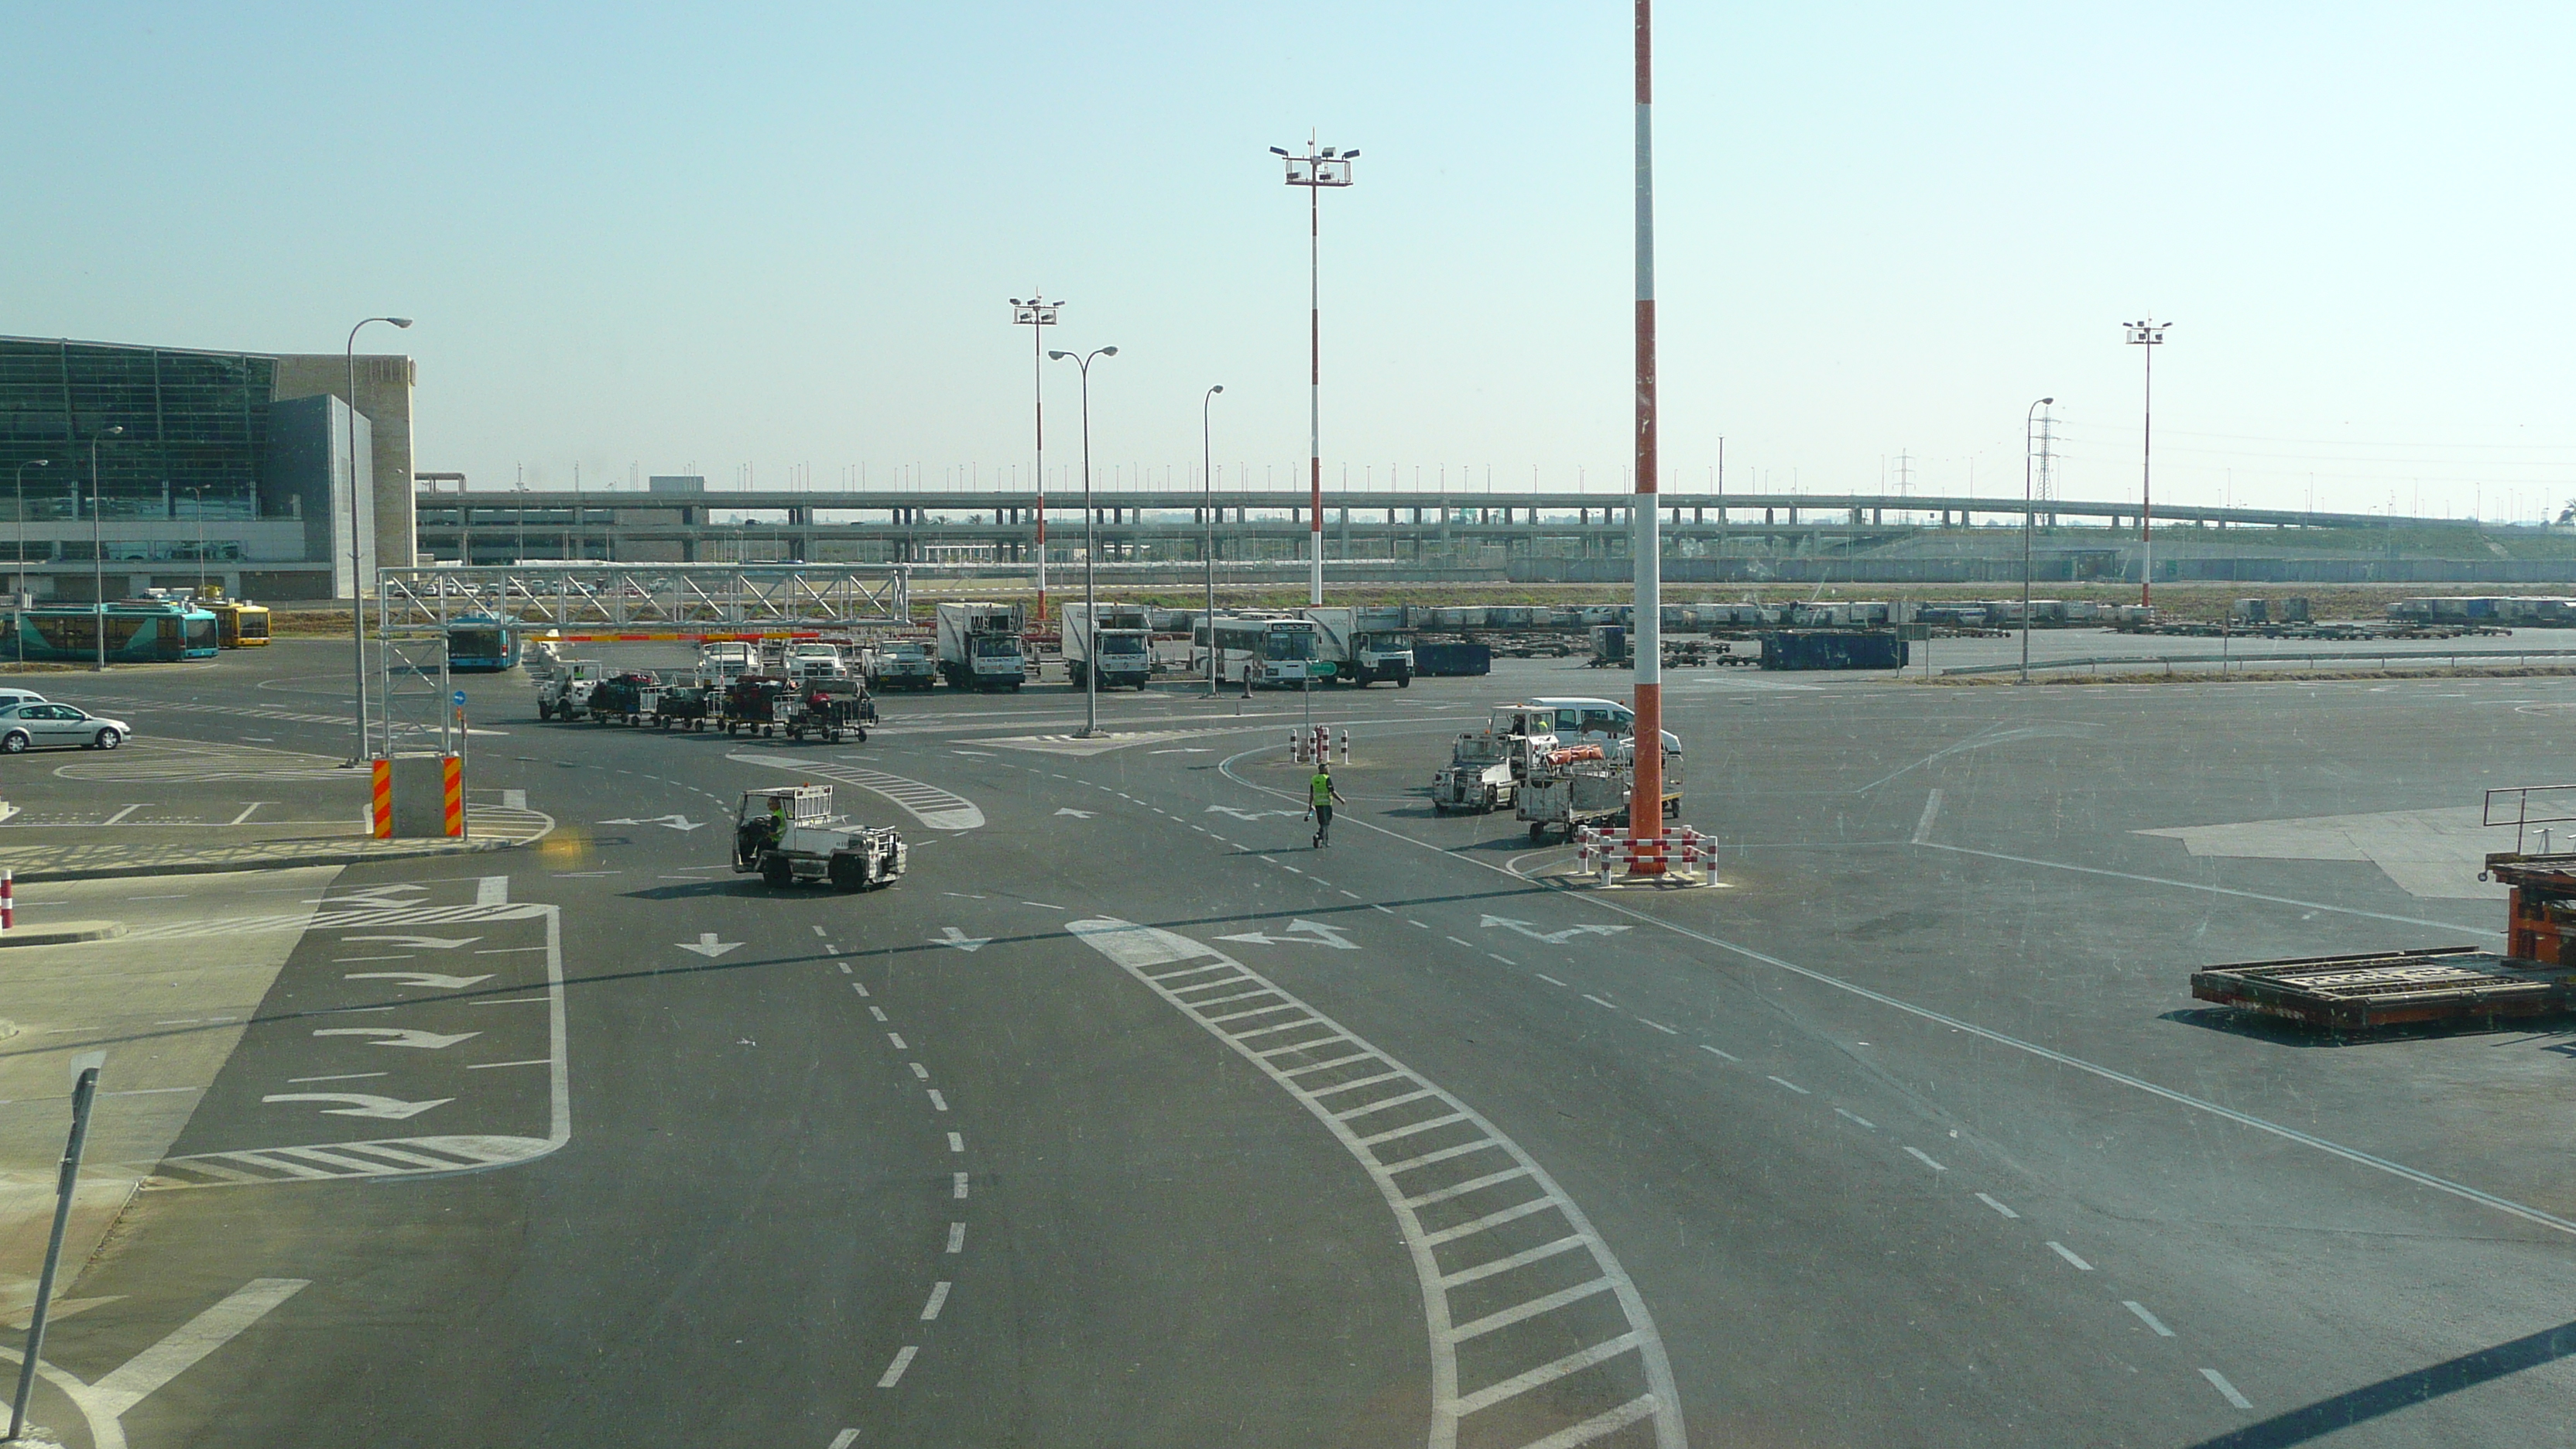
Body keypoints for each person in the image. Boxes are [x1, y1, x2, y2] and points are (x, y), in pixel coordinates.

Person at [1307, 765, 1346, 849]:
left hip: (1318, 804)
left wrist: (1310, 805)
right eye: (1328, 768)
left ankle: (1323, 839)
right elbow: (1332, 792)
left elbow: (1311, 793)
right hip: (1326, 804)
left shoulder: (1314, 779)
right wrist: (1341, 800)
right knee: (1326, 823)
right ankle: (1320, 837)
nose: (1329, 770)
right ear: (1324, 770)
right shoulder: (1326, 779)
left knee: (1323, 822)